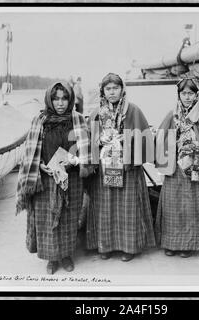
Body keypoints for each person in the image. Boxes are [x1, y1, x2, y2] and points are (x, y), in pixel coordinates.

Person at [16, 80, 91, 274]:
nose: (60, 103)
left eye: (65, 98)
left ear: (70, 99)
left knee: (68, 217)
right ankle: (51, 258)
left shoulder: (78, 120)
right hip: (46, 178)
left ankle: (66, 256)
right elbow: (31, 152)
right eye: (56, 99)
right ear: (49, 100)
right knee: (47, 218)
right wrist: (40, 165)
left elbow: (86, 150)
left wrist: (74, 161)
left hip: (71, 178)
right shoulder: (39, 120)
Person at [85, 73, 156, 262]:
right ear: (103, 91)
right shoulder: (97, 113)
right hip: (104, 167)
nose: (112, 92)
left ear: (122, 89)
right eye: (108, 89)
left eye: (115, 88)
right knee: (105, 206)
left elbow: (146, 136)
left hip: (128, 167)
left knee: (128, 206)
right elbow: (88, 139)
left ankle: (129, 247)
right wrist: (99, 139)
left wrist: (129, 137)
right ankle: (105, 246)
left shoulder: (133, 110)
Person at [155, 74, 199, 258]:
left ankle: (189, 244)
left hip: (196, 167)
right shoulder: (172, 115)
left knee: (192, 205)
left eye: (190, 93)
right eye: (183, 93)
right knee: (173, 205)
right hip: (175, 167)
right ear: (178, 95)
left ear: (197, 95)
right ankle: (171, 243)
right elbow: (161, 137)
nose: (187, 97)